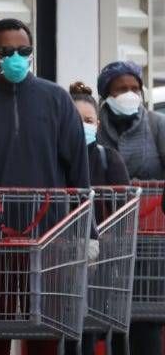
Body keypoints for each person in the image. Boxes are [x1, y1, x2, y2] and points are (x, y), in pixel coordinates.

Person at [0, 18, 92, 355]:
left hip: (49, 238)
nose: (16, 57)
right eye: (8, 51)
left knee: (46, 332)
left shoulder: (56, 99)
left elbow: (78, 169)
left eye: (24, 50)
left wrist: (87, 232)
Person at [95, 60, 165, 355]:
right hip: (107, 241)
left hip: (151, 242)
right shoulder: (95, 130)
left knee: (146, 321)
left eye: (135, 88)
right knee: (110, 318)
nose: (129, 94)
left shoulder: (156, 125)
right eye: (121, 89)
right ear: (106, 95)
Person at [69, 81, 129, 355]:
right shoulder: (57, 159)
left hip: (99, 262)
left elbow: (124, 212)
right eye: (76, 121)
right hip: (62, 259)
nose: (83, 126)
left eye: (88, 120)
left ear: (98, 125)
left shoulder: (109, 159)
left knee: (90, 329)